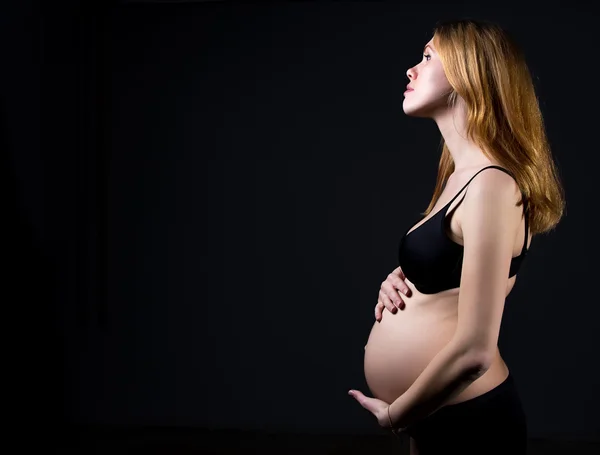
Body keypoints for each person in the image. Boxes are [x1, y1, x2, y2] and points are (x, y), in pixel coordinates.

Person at [348, 18, 565, 454]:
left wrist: (397, 415)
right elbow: (472, 272)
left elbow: (474, 350)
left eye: (427, 57)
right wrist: (405, 274)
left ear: (470, 73)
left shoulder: (491, 185)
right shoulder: (460, 176)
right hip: (435, 418)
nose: (410, 70)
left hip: (470, 423)